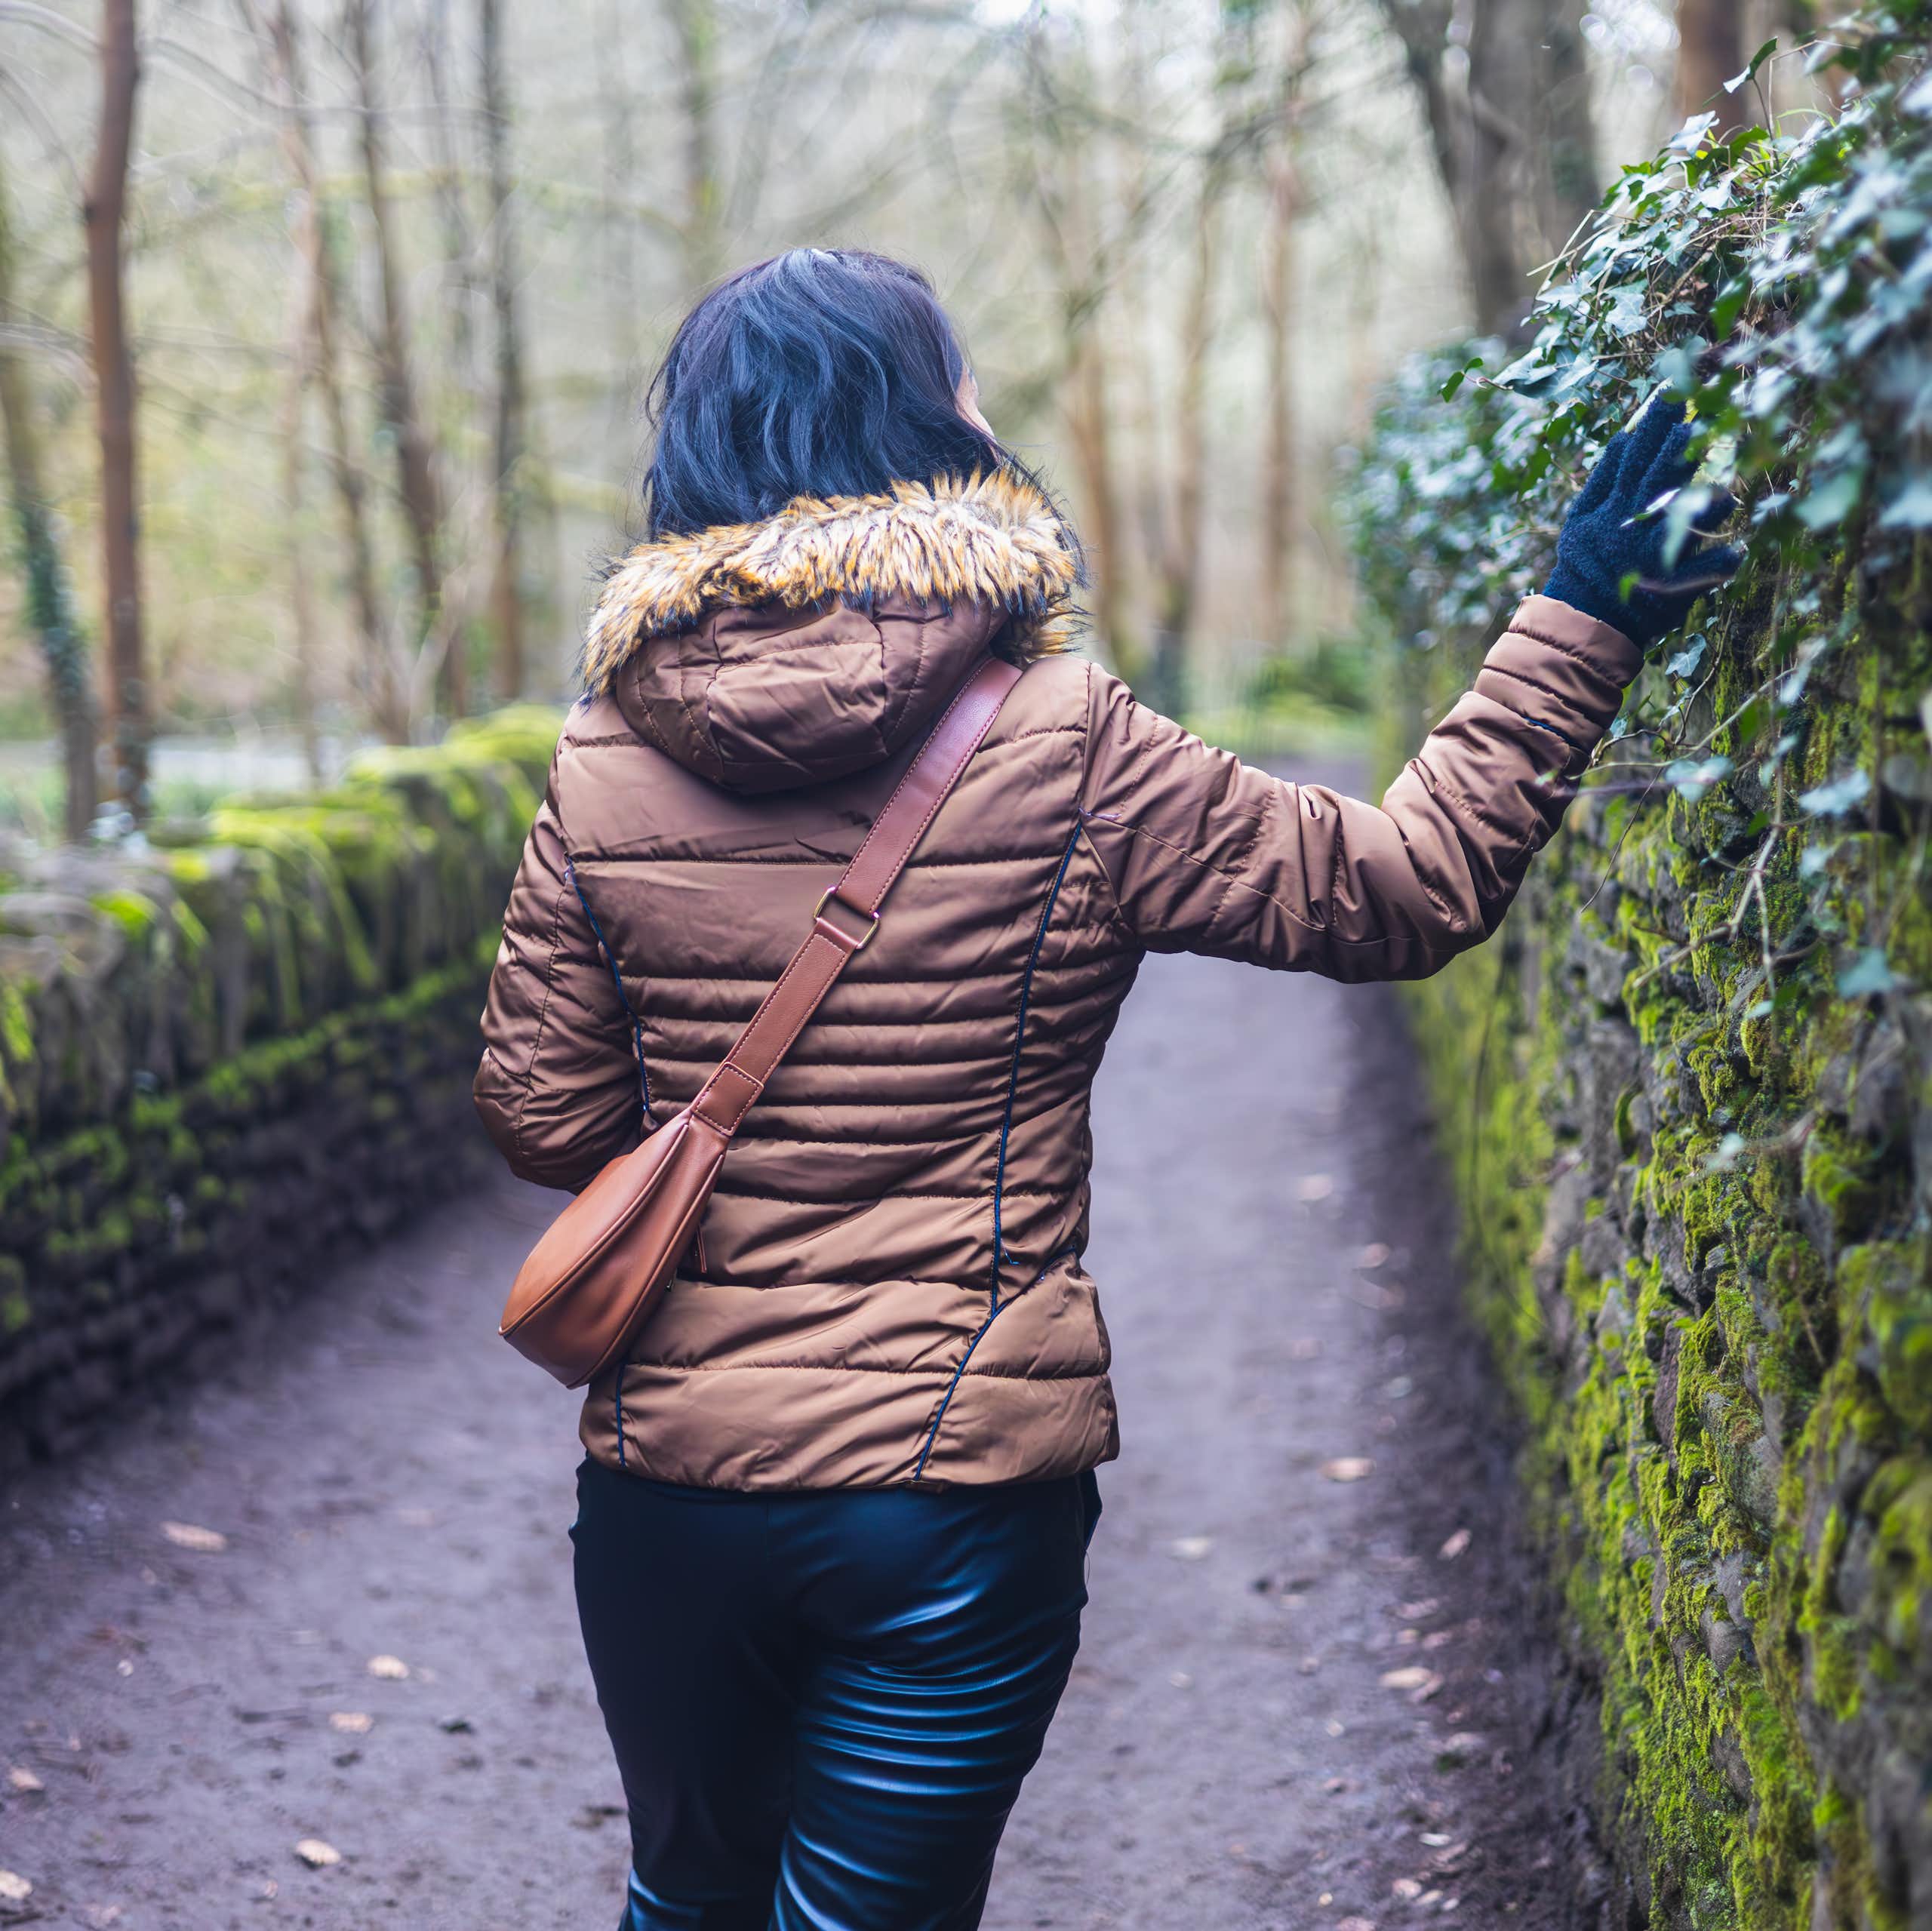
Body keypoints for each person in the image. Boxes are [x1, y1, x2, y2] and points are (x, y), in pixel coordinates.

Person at [474, 247, 1736, 1931]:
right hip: (950, 1491)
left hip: (664, 1497)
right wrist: (1577, 608)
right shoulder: (1064, 736)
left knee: (688, 1901)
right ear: (925, 425)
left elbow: (546, 1121)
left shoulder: (600, 752)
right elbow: (1404, 885)